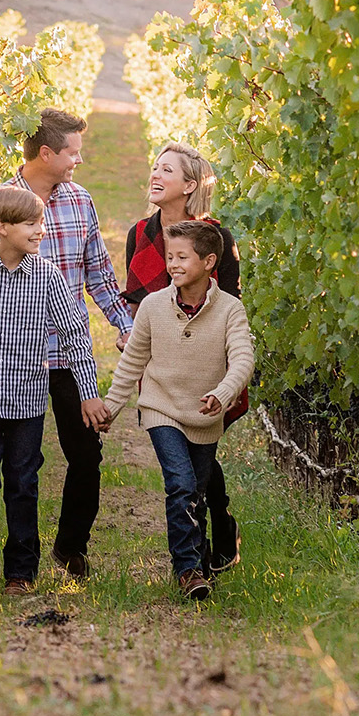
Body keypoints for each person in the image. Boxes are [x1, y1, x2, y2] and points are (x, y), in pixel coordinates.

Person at [0, 108, 133, 580]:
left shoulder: (80, 201)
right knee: (9, 469)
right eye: (73, 153)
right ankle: (6, 557)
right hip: (12, 357)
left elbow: (99, 273)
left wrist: (123, 325)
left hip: (68, 354)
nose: (80, 161)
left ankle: (69, 545)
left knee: (86, 453)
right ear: (46, 153)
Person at [0, 187, 110, 597]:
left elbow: (74, 338)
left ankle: (21, 570)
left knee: (22, 484)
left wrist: (87, 393)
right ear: (3, 227)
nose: (40, 231)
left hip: (26, 402)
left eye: (42, 223)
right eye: (32, 224)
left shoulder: (48, 276)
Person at [97, 221, 254, 600]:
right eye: (170, 257)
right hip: (160, 407)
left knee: (196, 495)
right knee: (180, 485)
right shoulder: (152, 306)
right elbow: (133, 362)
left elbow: (243, 358)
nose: (173, 264)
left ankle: (198, 563)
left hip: (205, 414)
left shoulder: (231, 310)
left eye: (182, 257)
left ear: (209, 261)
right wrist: (112, 406)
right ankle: (187, 571)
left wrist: (224, 392)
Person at [123, 142, 244, 572]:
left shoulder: (217, 238)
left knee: (202, 459)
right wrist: (131, 336)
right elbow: (137, 304)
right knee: (183, 471)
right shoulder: (140, 233)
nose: (155, 175)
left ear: (189, 186)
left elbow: (229, 305)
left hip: (209, 368)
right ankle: (193, 561)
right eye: (154, 167)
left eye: (167, 170)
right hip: (163, 368)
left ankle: (220, 521)